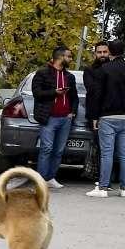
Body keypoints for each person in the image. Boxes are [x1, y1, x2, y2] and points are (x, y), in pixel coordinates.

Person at [84, 40, 125, 198]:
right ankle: (124, 188)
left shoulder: (104, 70)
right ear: (124, 51)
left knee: (107, 153)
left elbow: (96, 95)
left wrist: (94, 116)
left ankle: (102, 188)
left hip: (107, 117)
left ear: (110, 52)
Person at [30, 46, 78, 189]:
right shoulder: (42, 73)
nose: (70, 59)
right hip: (49, 118)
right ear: (60, 57)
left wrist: (72, 113)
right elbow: (37, 93)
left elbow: (74, 97)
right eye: (68, 56)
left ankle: (51, 178)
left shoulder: (70, 76)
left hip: (65, 119)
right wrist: (55, 92)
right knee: (47, 148)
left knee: (58, 150)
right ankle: (41, 180)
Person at [82, 41, 113, 187]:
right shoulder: (89, 70)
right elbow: (92, 90)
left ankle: (108, 178)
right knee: (100, 147)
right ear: (95, 54)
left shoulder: (114, 69)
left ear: (109, 52)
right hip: (95, 113)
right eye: (99, 52)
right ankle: (101, 178)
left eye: (104, 52)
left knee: (112, 148)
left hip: (112, 113)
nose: (102, 55)